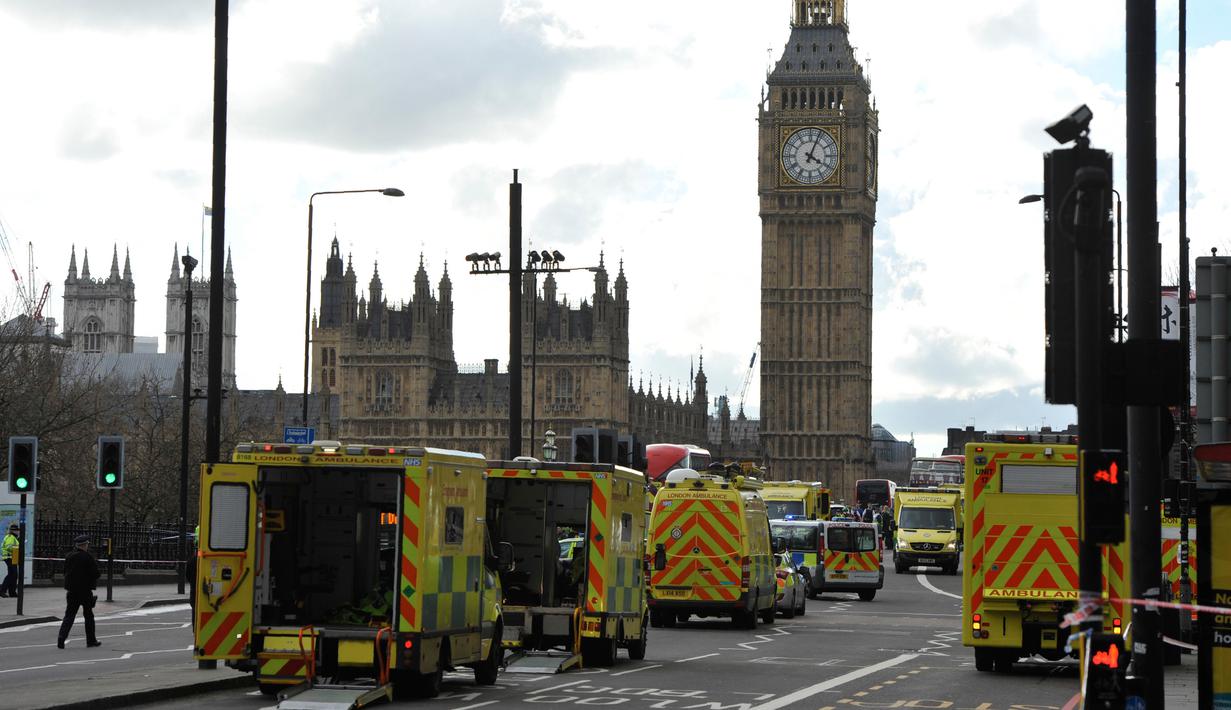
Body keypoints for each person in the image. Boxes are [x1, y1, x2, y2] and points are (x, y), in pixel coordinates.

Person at [57, 534, 101, 649]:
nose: (87, 546)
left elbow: (65, 571)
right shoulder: (87, 557)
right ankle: (91, 640)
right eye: (87, 544)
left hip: (71, 591)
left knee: (69, 615)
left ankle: (61, 637)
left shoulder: (69, 556)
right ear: (84, 545)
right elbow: (96, 573)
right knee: (88, 615)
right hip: (85, 591)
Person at [1, 524, 19, 597]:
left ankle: (12, 592)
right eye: (17, 530)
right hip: (9, 557)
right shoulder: (10, 537)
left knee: (14, 575)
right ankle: (2, 590)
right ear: (13, 531)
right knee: (12, 574)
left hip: (13, 556)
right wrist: (17, 547)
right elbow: (9, 547)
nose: (18, 532)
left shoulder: (14, 537)